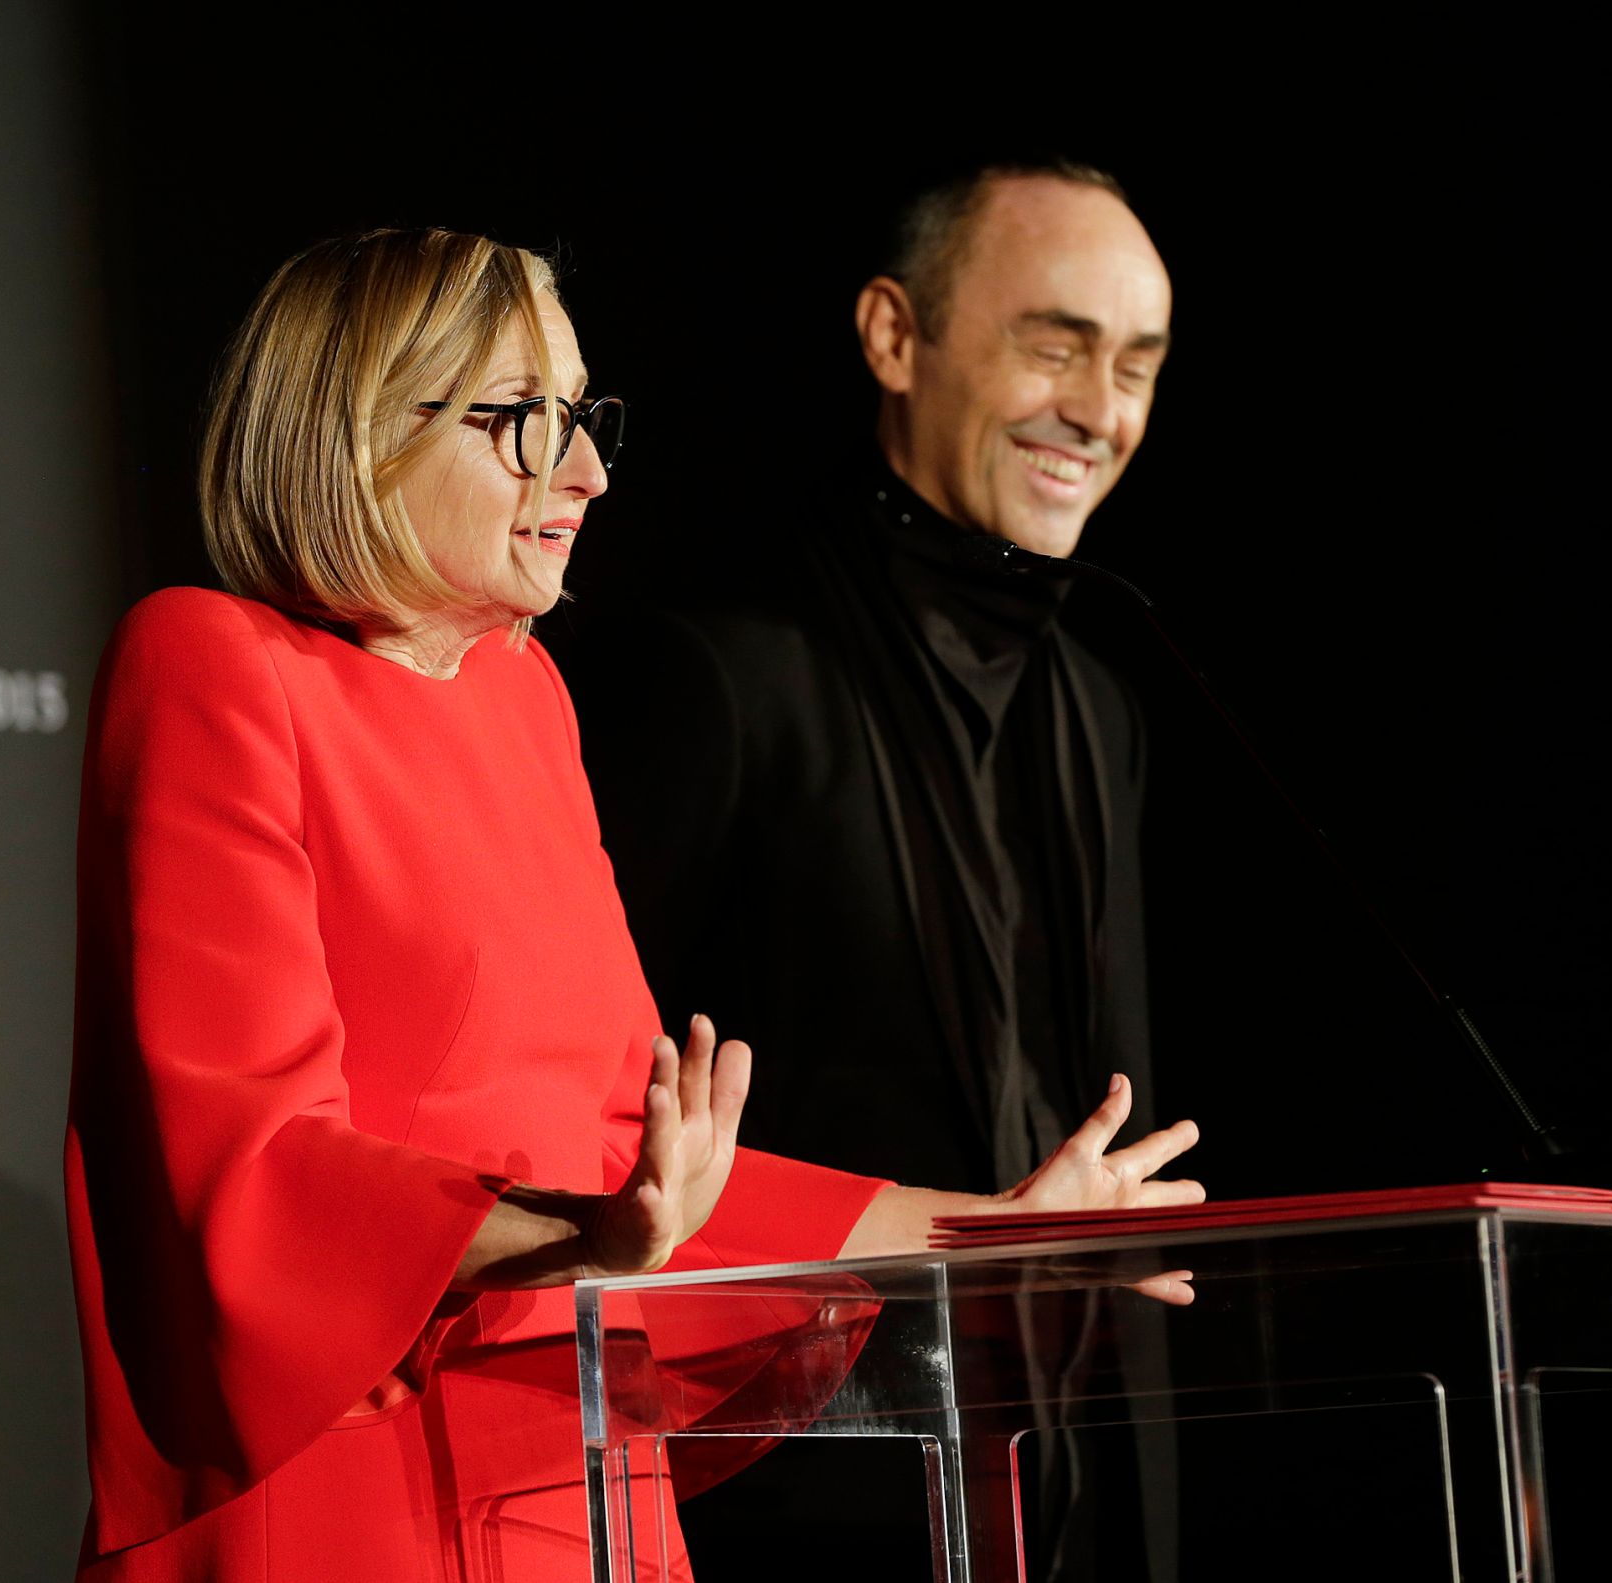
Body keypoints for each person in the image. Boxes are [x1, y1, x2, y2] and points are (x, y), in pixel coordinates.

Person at [64, 226, 1202, 1583]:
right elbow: (248, 1168)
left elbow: (632, 1154)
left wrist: (991, 1230)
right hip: (343, 1491)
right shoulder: (211, 665)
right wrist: (583, 1234)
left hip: (575, 1484)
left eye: (586, 418)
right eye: (524, 422)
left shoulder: (526, 700)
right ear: (361, 428)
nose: (589, 473)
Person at [562, 161, 1177, 1581]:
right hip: (795, 1500)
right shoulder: (724, 671)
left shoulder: (1101, 708)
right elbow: (596, 1119)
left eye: (1136, 362)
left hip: (1065, 1498)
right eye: (1055, 342)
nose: (1101, 408)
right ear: (896, 339)